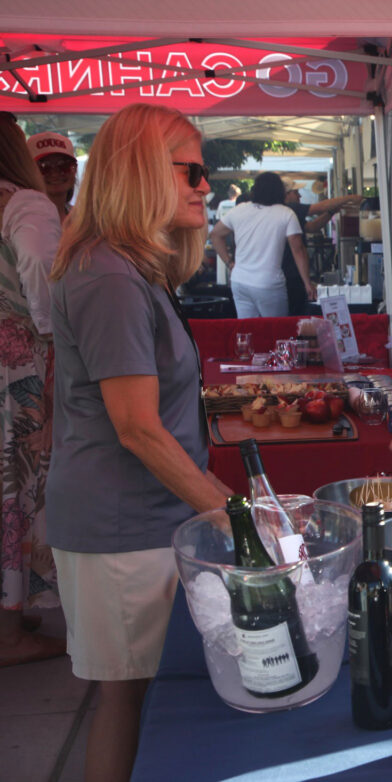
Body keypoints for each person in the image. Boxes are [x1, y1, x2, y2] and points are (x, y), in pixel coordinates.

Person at [47, 103, 233, 782]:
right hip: (124, 530)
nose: (204, 186)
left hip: (141, 523)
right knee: (131, 700)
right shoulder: (109, 277)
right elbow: (137, 428)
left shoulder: (126, 267)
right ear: (141, 171)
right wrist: (233, 514)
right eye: (190, 171)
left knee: (140, 699)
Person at [0, 115, 65, 667]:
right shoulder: (25, 204)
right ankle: (10, 631)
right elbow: (42, 274)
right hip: (17, 370)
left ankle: (14, 612)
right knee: (17, 491)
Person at [210, 171, 315, 317]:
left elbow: (215, 234)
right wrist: (307, 283)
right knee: (276, 332)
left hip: (239, 281)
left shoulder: (240, 210)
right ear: (279, 191)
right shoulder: (286, 213)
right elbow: (298, 250)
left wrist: (229, 262)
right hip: (269, 283)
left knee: (248, 332)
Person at [280, 176, 361, 316]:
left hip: (292, 272)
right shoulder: (290, 208)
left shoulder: (290, 213)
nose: (299, 195)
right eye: (296, 192)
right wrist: (348, 198)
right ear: (287, 194)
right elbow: (318, 208)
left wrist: (331, 212)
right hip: (290, 272)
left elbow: (311, 227)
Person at [26, 131, 77, 223]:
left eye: (63, 165)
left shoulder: (85, 221)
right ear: (28, 172)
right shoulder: (19, 222)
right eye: (44, 166)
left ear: (75, 169)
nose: (55, 173)